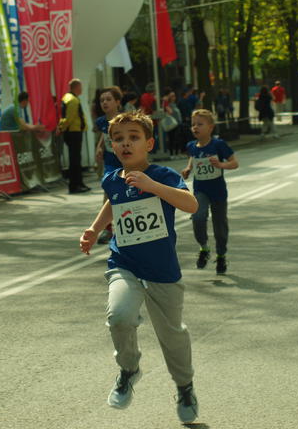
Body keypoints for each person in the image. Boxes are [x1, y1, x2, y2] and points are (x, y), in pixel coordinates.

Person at [79, 111, 199, 424]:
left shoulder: (163, 175)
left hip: (162, 268)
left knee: (172, 334)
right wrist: (94, 229)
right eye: (118, 139)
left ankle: (184, 386)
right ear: (112, 145)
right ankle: (129, 369)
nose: (125, 144)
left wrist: (153, 186)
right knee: (119, 316)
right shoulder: (112, 179)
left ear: (149, 143)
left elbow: (191, 204)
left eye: (133, 137)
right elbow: (113, 202)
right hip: (125, 262)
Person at [181, 109, 238, 273]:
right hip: (200, 190)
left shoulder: (218, 145)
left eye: (200, 124)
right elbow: (193, 157)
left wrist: (221, 165)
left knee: (220, 227)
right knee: (198, 218)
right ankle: (204, 248)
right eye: (193, 124)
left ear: (211, 127)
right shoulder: (191, 146)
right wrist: (188, 169)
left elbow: (234, 163)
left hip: (218, 191)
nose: (195, 127)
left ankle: (221, 255)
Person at [95, 87, 124, 244]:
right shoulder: (101, 121)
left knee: (126, 192)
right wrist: (100, 147)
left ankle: (126, 226)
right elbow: (104, 134)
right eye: (102, 100)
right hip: (110, 162)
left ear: (117, 102)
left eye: (108, 99)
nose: (104, 103)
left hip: (125, 162)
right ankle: (107, 229)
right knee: (108, 189)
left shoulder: (124, 120)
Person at [58, 79, 90, 194]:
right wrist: (61, 128)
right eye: (80, 87)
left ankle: (79, 183)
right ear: (76, 87)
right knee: (74, 160)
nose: (82, 89)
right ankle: (74, 186)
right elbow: (69, 118)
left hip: (74, 132)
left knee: (76, 159)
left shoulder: (69, 98)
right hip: (73, 132)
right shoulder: (72, 100)